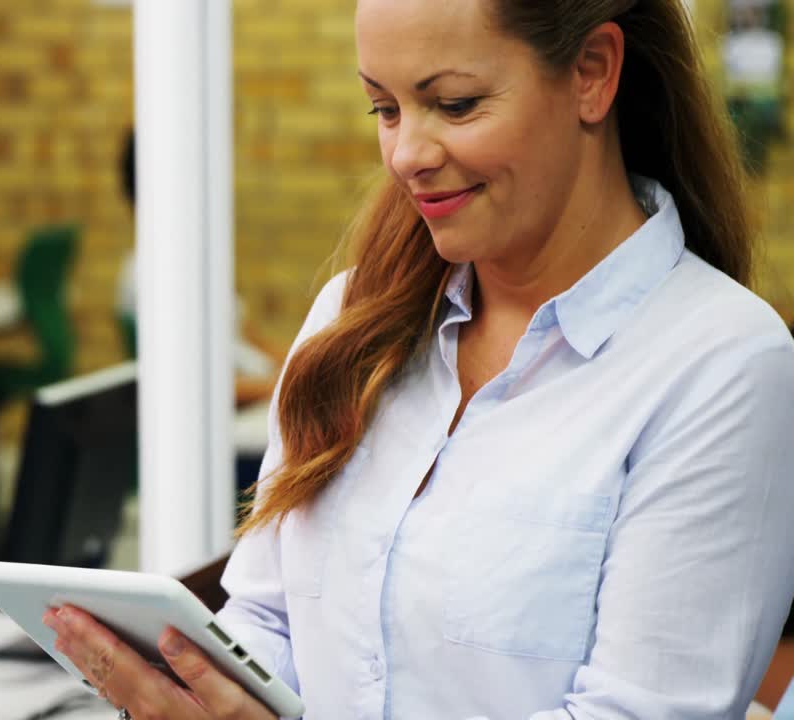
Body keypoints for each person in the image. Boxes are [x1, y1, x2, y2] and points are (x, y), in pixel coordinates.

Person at [45, 1, 794, 717]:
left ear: (593, 72)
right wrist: (189, 686)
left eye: (457, 104)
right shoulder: (350, 320)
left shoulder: (722, 364)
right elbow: (268, 620)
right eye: (385, 108)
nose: (406, 155)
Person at [113, 128, 286, 407]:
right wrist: (282, 386)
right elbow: (190, 390)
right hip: (228, 420)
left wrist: (306, 365)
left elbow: (251, 337)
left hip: (261, 395)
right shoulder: (148, 278)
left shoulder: (196, 264)